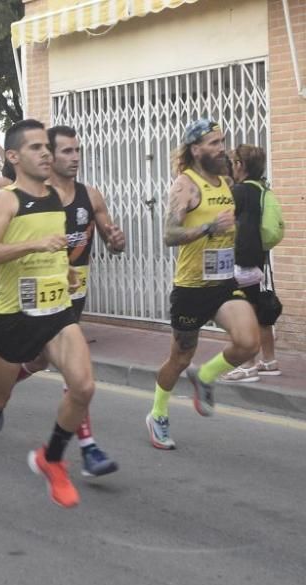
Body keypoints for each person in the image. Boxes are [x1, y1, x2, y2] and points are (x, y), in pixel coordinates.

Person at [0, 119, 95, 508]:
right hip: (14, 316)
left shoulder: (54, 197)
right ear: (13, 156)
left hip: (57, 312)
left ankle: (52, 459)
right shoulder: (7, 199)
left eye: (48, 147)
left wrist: (62, 267)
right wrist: (34, 246)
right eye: (36, 148)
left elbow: (54, 246)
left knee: (83, 387)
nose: (46, 153)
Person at [0, 125, 126, 478]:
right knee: (64, 372)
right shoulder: (29, 197)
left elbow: (111, 239)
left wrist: (116, 239)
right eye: (65, 151)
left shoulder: (90, 196)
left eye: (76, 151)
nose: (72, 157)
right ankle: (87, 446)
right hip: (29, 297)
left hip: (70, 294)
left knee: (45, 364)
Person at [145, 119, 259, 449]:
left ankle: (206, 376)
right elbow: (169, 234)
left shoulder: (225, 181)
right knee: (179, 359)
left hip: (223, 282)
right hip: (192, 288)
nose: (221, 147)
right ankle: (158, 414)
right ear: (196, 150)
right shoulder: (186, 184)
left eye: (222, 141)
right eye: (213, 143)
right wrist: (210, 226)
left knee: (248, 342)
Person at [220, 144, 282, 382]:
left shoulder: (239, 192)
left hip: (241, 263)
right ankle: (269, 361)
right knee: (259, 311)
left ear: (240, 166)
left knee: (241, 315)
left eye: (234, 162)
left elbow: (233, 227)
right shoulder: (262, 189)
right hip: (258, 262)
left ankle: (247, 365)